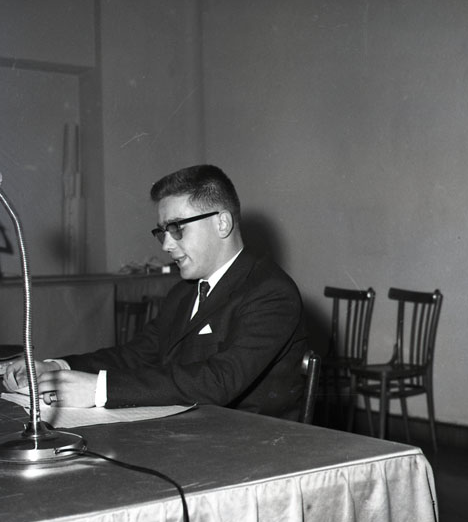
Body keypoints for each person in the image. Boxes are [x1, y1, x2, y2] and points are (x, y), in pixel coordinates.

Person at [3, 165, 308, 420]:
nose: (166, 245)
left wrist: (99, 389)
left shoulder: (270, 292)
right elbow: (135, 355)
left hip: (252, 445)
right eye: (162, 232)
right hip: (191, 432)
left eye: (177, 228)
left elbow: (219, 380)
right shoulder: (183, 294)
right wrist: (57, 367)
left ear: (222, 223)